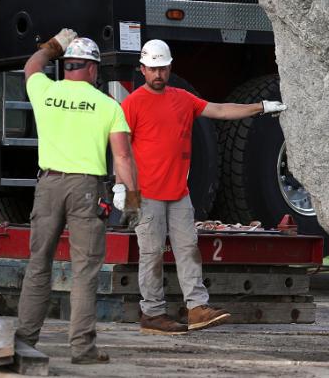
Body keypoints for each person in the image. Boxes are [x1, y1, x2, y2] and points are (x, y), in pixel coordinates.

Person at [121, 39, 286, 335]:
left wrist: (261, 106)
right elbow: (121, 152)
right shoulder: (131, 104)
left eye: (163, 68)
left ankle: (197, 308)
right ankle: (152, 313)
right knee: (151, 253)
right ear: (142, 70)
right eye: (153, 69)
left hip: (178, 194)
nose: (158, 74)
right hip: (147, 196)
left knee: (188, 250)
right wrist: (126, 190)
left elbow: (221, 110)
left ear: (170, 67)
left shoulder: (183, 99)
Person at [16, 29, 138, 364]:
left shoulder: (45, 91)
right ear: (93, 69)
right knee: (84, 270)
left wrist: (52, 46)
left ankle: (25, 341)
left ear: (67, 66)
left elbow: (31, 67)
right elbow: (123, 158)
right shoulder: (108, 105)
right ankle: (82, 349)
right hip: (86, 190)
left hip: (48, 186)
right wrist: (132, 201)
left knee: (39, 264)